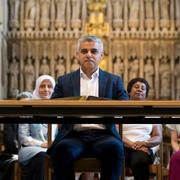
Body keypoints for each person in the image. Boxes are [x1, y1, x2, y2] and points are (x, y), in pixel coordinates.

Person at [47, 35, 129, 180]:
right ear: (77, 55)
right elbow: (53, 105)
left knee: (115, 149)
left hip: (104, 134)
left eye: (94, 51)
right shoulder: (64, 80)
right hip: (73, 135)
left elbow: (125, 104)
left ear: (101, 55)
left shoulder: (114, 80)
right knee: (61, 150)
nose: (89, 55)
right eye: (84, 51)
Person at [123, 77, 162, 180]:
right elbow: (116, 132)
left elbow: (158, 137)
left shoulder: (152, 113)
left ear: (146, 93)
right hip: (123, 145)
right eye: (136, 87)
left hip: (144, 148)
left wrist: (144, 143)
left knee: (139, 159)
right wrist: (133, 145)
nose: (139, 89)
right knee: (114, 155)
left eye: (143, 88)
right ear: (129, 92)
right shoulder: (120, 109)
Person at [18, 75, 56, 180]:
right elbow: (23, 138)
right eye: (42, 86)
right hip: (31, 149)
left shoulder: (58, 110)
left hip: (52, 149)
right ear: (37, 87)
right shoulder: (28, 108)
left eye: (50, 86)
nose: (46, 89)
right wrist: (42, 144)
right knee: (43, 158)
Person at [0, 91, 33, 180]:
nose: (25, 108)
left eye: (28, 105)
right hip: (13, 153)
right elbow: (9, 141)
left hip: (31, 153)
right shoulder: (10, 119)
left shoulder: (35, 119)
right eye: (22, 104)